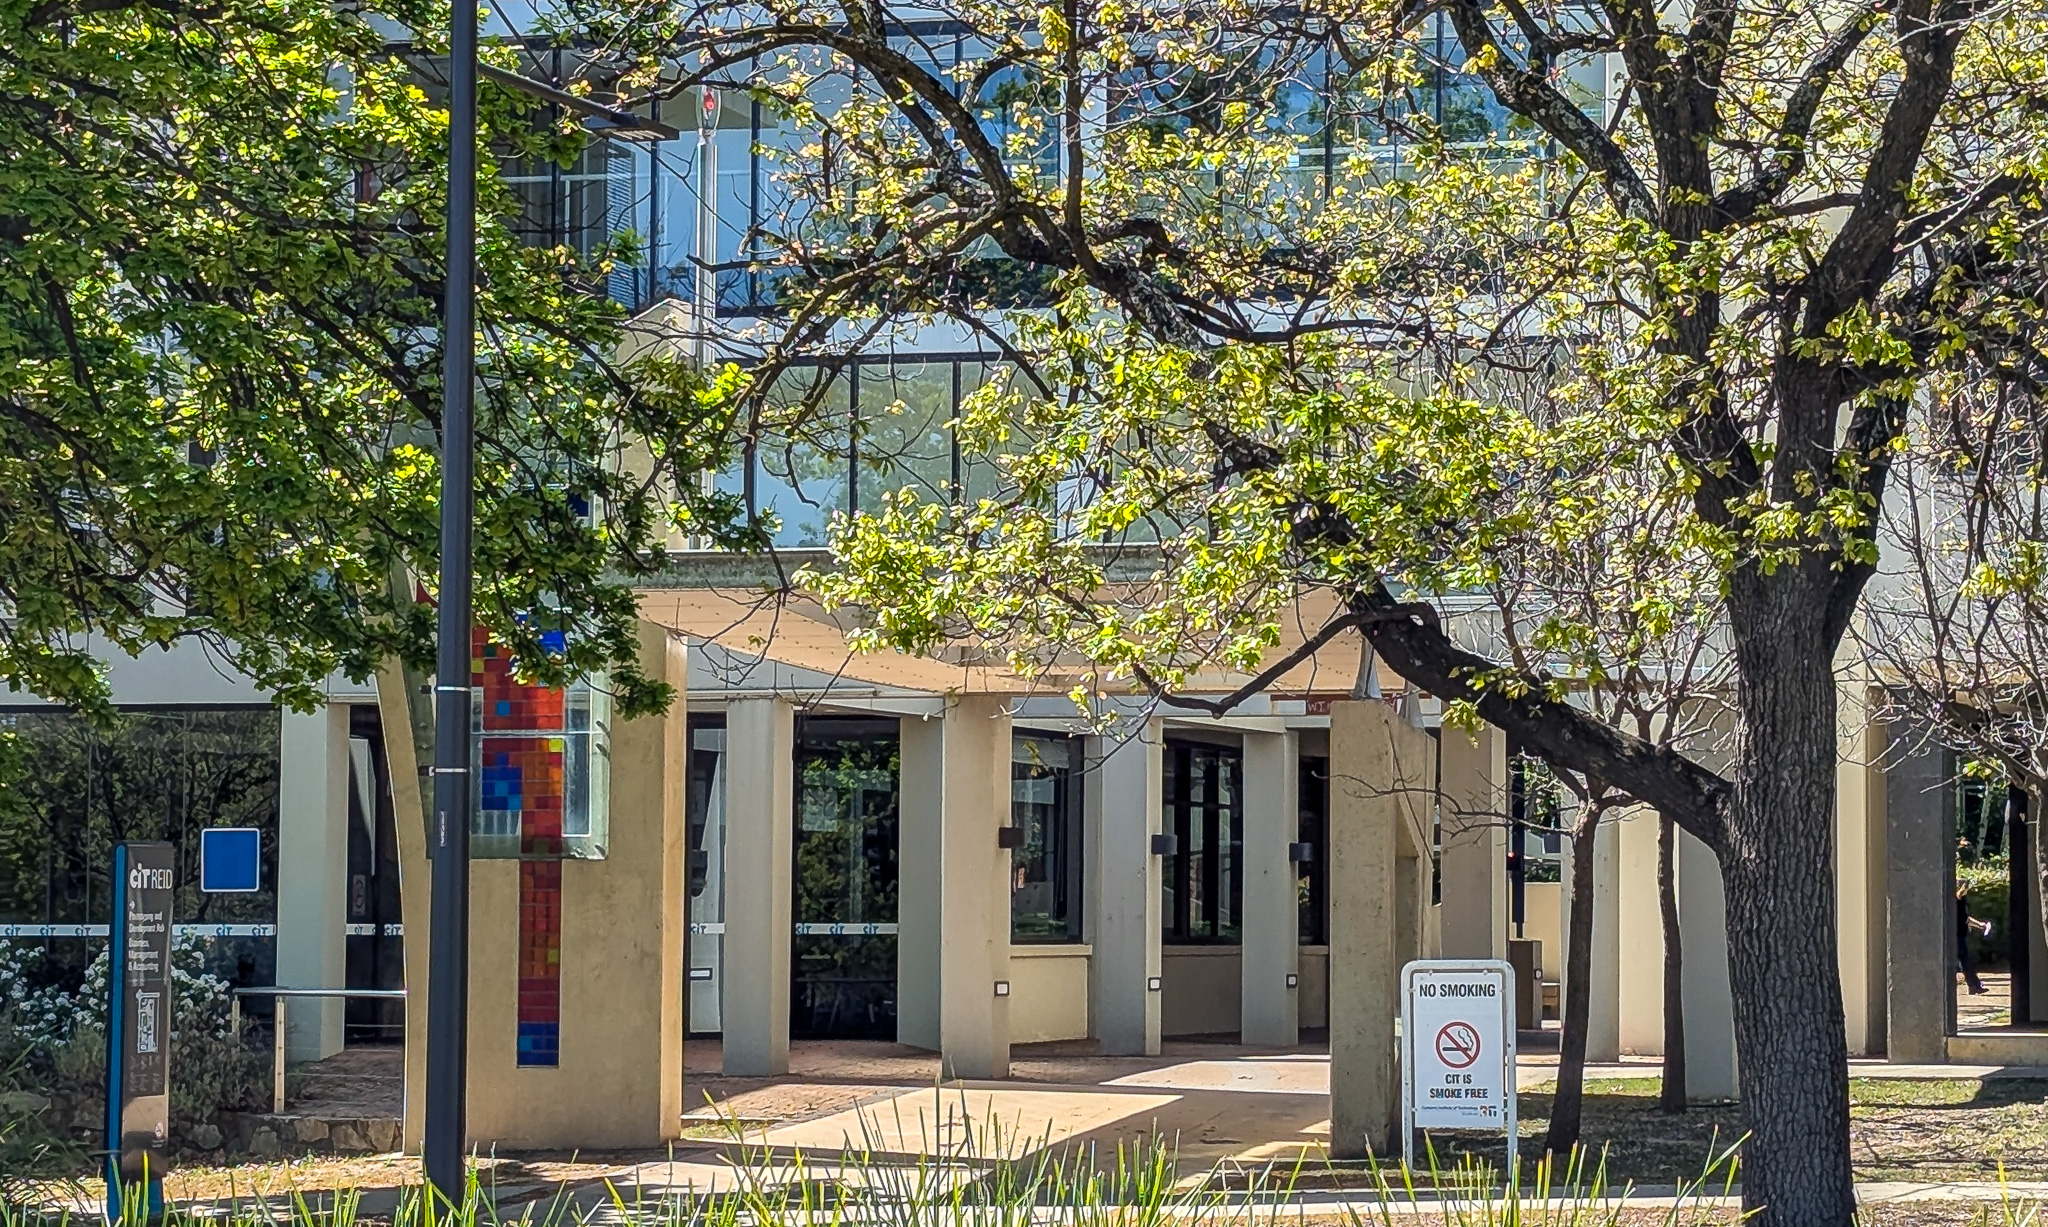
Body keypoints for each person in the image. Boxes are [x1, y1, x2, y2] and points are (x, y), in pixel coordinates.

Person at [1957, 878, 1993, 995]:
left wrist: (1980, 925)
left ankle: (1974, 986)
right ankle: (1975, 986)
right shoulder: (1958, 900)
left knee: (1964, 961)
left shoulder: (1959, 901)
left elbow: (1965, 918)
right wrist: (1980, 925)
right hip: (1957, 935)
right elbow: (1964, 918)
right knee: (1964, 961)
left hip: (1959, 934)